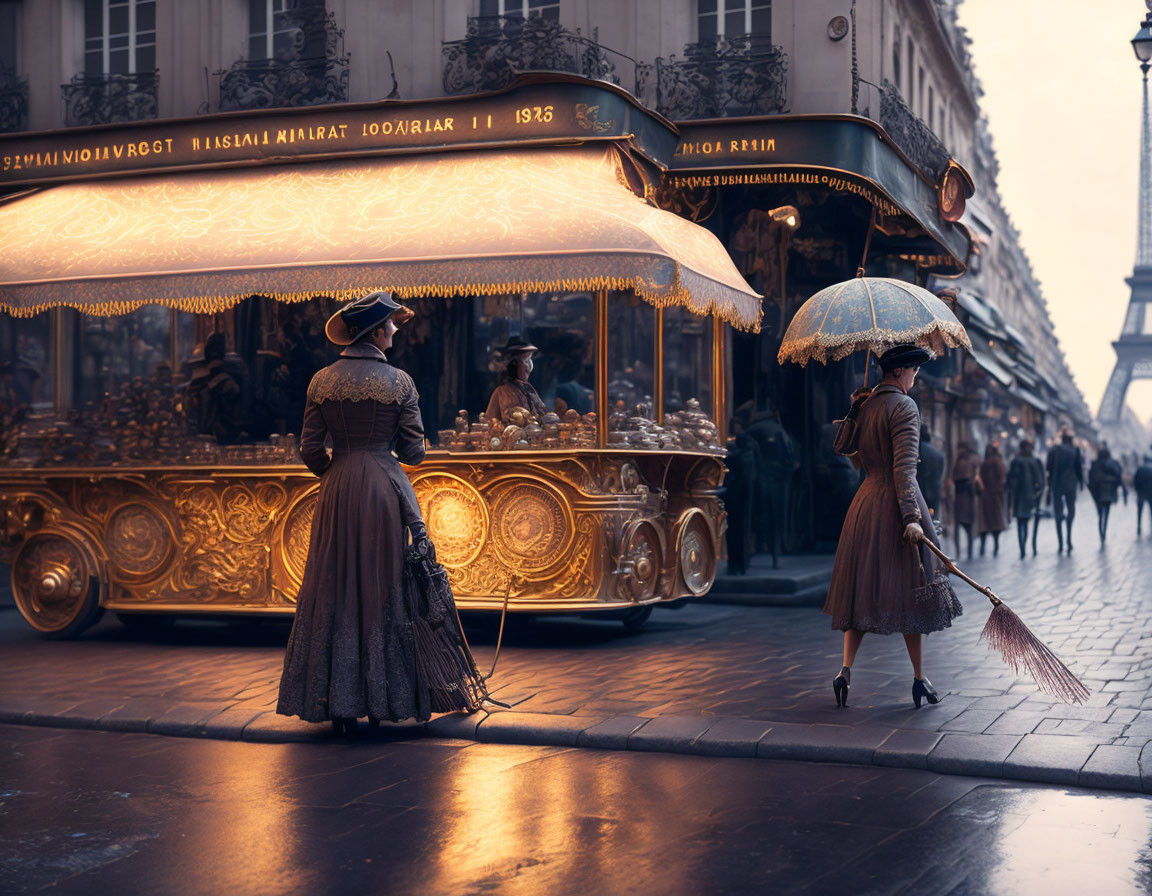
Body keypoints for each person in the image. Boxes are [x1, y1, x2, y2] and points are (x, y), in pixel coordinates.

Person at [277, 292, 488, 734]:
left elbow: (310, 448)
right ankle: (378, 702)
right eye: (391, 324)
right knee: (380, 585)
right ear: (375, 331)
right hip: (380, 489)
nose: (395, 330)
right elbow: (414, 452)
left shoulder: (320, 381)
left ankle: (336, 704)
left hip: (337, 488)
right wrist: (390, 451)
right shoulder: (399, 383)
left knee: (333, 585)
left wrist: (336, 472)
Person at [824, 344, 962, 710]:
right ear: (900, 372)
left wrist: (857, 407)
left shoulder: (868, 404)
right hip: (895, 506)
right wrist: (912, 518)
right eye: (914, 370)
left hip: (864, 504)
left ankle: (845, 671)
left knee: (859, 591)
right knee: (911, 591)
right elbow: (904, 470)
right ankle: (919, 678)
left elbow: (840, 445)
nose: (916, 376)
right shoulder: (904, 406)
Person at [745, 407, 798, 569]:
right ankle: (774, 556)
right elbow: (791, 459)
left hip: (763, 479)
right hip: (777, 479)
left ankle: (752, 554)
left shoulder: (756, 429)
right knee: (776, 519)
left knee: (759, 518)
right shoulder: (777, 430)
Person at [485, 336, 547, 422]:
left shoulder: (528, 389)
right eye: (525, 361)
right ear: (513, 365)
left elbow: (542, 412)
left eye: (529, 360)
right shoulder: (503, 392)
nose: (528, 366)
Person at [1046, 430, 1084, 554]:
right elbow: (1079, 468)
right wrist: (1081, 482)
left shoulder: (1054, 450)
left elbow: (1048, 468)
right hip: (1071, 484)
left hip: (1057, 483)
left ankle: (1061, 542)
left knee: (1058, 513)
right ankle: (1068, 538)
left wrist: (1049, 486)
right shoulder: (1075, 450)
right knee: (1071, 510)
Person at [1006, 439, 1045, 559]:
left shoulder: (1027, 461)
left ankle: (1023, 546)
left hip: (1026, 496)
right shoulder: (1023, 461)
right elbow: (1039, 481)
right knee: (1022, 521)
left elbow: (1039, 480)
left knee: (1023, 521)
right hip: (1023, 496)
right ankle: (1022, 546)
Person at [1088, 445, 1126, 544]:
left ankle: (1101, 531)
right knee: (1107, 513)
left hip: (1098, 494)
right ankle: (1104, 531)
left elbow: (1091, 480)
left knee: (1100, 514)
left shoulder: (1096, 465)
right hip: (1108, 493)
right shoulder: (1113, 464)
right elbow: (1118, 478)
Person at [950, 441, 981, 561]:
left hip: (966, 496)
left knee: (967, 527)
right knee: (961, 527)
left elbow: (969, 477)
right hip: (962, 496)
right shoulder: (960, 460)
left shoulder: (968, 461)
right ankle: (961, 552)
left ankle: (968, 552)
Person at [978, 443, 1009, 557]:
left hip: (987, 495)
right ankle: (995, 545)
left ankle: (983, 546)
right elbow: (1003, 479)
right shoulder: (999, 462)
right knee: (995, 523)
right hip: (995, 496)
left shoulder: (986, 463)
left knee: (985, 523)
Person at [916, 425, 945, 519]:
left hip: (919, 491)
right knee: (932, 519)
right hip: (934, 490)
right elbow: (940, 473)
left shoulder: (917, 452)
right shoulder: (938, 454)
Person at [1135, 455, 1152, 536]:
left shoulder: (1140, 469)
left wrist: (1137, 490)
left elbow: (1135, 481)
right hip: (1150, 494)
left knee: (1139, 511)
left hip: (1141, 493)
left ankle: (1139, 525)